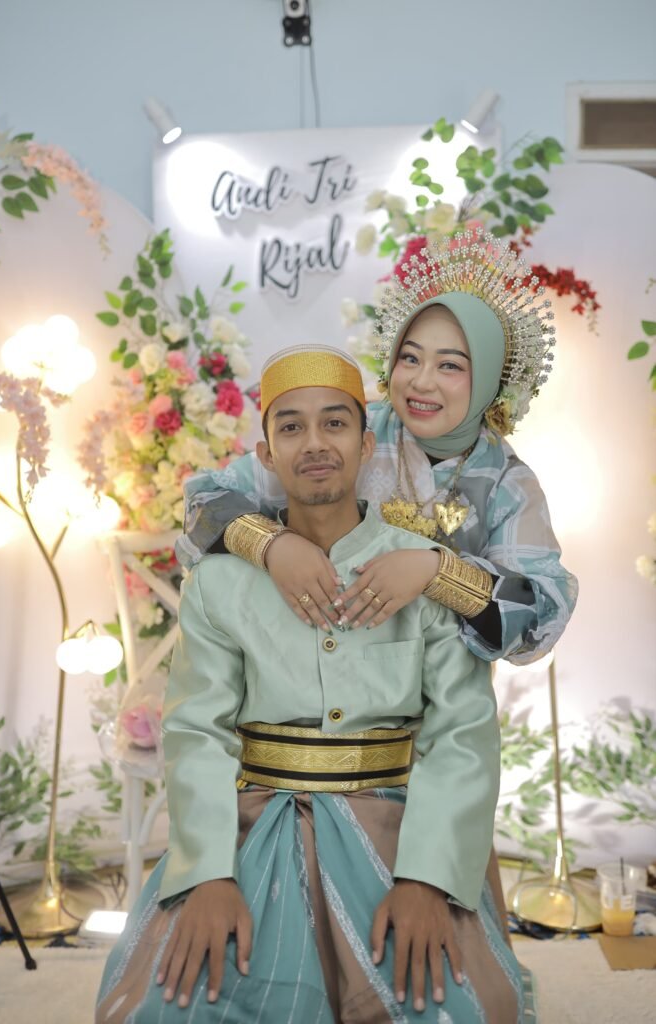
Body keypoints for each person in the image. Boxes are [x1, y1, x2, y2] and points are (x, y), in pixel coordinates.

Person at [96, 346, 531, 1024]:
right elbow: (197, 733)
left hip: (396, 829)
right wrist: (208, 875)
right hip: (253, 828)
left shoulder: (421, 570)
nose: (315, 443)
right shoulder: (219, 583)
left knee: (444, 1006)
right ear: (265, 456)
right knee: (177, 1004)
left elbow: (462, 735)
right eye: (291, 427)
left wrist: (425, 880)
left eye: (334, 423)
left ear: (366, 444)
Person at [176, 230, 578, 940]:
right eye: (409, 358)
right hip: (312, 695)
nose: (422, 381)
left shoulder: (506, 483)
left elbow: (539, 617)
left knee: (446, 933)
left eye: (451, 365)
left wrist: (435, 571)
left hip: (435, 715)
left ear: (490, 379)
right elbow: (204, 502)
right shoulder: (346, 431)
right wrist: (273, 545)